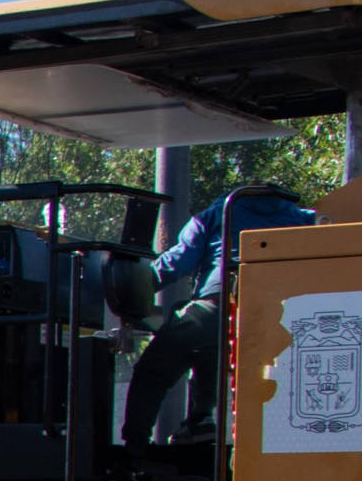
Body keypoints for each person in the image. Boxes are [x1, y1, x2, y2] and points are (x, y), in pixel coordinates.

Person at [124, 185, 315, 448]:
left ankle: (135, 445)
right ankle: (200, 421)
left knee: (156, 367)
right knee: (209, 344)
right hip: (279, 317)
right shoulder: (304, 219)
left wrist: (132, 285)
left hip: (223, 302)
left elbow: (177, 263)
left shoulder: (216, 214)